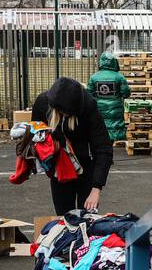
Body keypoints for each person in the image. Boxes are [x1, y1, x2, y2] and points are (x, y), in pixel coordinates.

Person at [30, 76, 114, 215]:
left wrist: (96, 189)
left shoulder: (88, 107)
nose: (66, 116)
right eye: (63, 113)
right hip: (59, 167)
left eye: (69, 114)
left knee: (87, 219)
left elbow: (103, 148)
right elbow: (37, 137)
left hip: (85, 165)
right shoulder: (43, 103)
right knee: (64, 219)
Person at [87, 52, 132, 142]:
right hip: (115, 109)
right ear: (114, 62)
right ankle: (114, 138)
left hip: (99, 108)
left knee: (100, 124)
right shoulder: (119, 77)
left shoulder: (94, 77)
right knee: (115, 125)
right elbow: (126, 93)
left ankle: (100, 139)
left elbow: (89, 94)